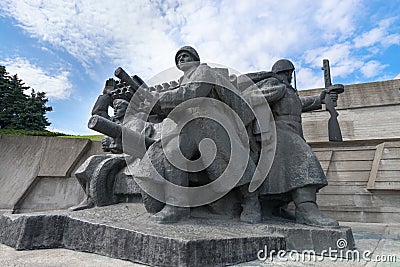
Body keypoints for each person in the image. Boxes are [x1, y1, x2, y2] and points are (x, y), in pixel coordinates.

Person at [134, 46, 259, 223]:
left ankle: (251, 202)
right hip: (188, 124)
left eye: (185, 56)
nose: (181, 59)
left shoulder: (203, 70)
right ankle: (177, 207)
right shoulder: (181, 80)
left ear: (196, 59)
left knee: (231, 159)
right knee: (172, 153)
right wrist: (154, 104)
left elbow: (194, 92)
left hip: (212, 121)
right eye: (178, 58)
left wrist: (160, 98)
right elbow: (175, 104)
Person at [252, 59, 339, 227]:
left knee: (279, 175)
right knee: (306, 161)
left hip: (292, 131)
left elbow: (298, 104)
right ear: (284, 72)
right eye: (289, 73)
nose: (291, 77)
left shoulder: (290, 92)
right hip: (279, 131)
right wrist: (276, 91)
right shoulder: (274, 83)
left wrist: (321, 99)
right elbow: (254, 98)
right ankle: (307, 209)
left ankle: (275, 208)